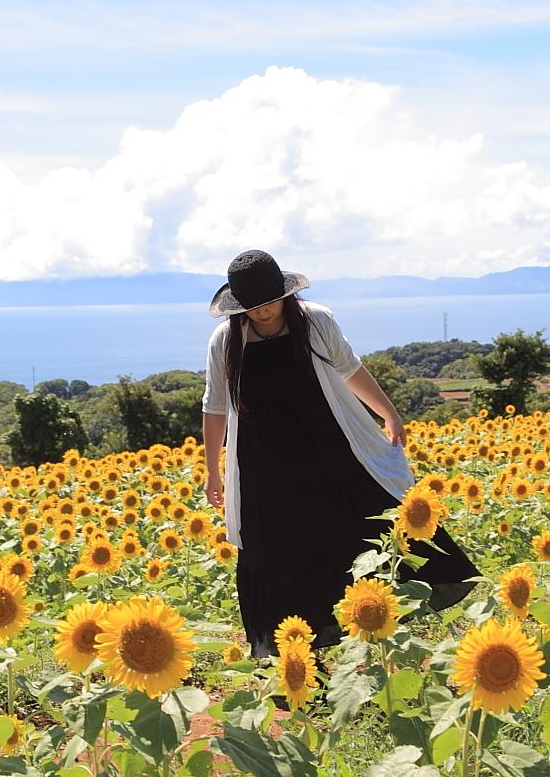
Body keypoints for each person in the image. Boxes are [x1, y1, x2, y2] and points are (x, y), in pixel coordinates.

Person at [200, 249, 480, 658]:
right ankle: (293, 656)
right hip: (265, 465)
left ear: (284, 292)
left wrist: (389, 413)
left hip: (328, 448)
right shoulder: (226, 340)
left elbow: (350, 369)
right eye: (252, 306)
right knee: (275, 548)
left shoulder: (315, 321)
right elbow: (214, 406)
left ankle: (373, 623)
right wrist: (213, 471)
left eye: (269, 301)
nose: (262, 312)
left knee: (358, 524)